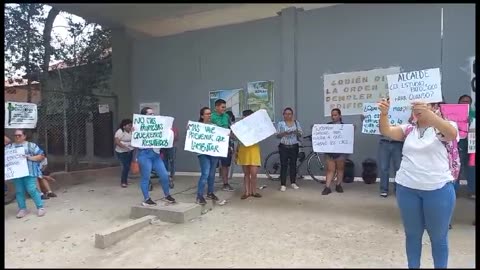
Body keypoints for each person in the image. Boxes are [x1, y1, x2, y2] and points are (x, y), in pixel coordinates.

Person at [379, 99, 458, 269]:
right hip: (407, 189)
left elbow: (451, 133)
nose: (418, 108)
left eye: (424, 104)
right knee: (413, 235)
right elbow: (386, 130)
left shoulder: (445, 125)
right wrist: (384, 114)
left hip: (438, 190)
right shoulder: (408, 129)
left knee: (438, 238)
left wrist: (432, 117)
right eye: (415, 105)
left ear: (434, 107)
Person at [135, 107, 175, 206]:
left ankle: (167, 195)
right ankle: (146, 198)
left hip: (156, 155)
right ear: (144, 116)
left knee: (165, 175)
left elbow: (167, 135)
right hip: (145, 154)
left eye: (153, 114)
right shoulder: (139, 126)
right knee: (146, 177)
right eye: (150, 114)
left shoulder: (158, 125)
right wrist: (134, 131)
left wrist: (168, 131)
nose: (152, 115)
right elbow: (135, 139)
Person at [5, 129, 46, 218]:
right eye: (15, 135)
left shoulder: (31, 146)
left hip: (30, 171)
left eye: (19, 135)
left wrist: (29, 158)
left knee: (31, 189)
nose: (17, 137)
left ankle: (40, 207)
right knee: (19, 191)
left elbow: (41, 156)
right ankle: (22, 209)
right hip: (17, 173)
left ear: (24, 136)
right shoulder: (9, 148)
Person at [195, 107, 220, 205]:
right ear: (202, 116)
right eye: (207, 114)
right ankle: (199, 195)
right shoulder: (197, 126)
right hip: (203, 154)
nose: (209, 115)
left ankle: (210, 192)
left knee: (212, 174)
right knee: (205, 173)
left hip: (213, 153)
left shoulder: (214, 126)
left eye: (210, 113)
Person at [236, 110, 262, 199]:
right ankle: (247, 192)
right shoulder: (239, 127)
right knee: (246, 173)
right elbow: (237, 138)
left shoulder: (256, 127)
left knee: (253, 173)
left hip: (254, 150)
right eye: (245, 116)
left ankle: (254, 191)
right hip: (243, 150)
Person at [276, 107, 303, 192]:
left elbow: (301, 133)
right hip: (284, 146)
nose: (288, 115)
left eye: (289, 114)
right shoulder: (280, 123)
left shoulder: (296, 122)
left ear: (292, 115)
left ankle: (293, 182)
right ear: (283, 115)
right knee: (284, 165)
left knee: (293, 165)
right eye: (286, 114)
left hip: (294, 146)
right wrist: (284, 133)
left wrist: (296, 132)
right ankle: (283, 184)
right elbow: (277, 135)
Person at [211, 99, 235, 192]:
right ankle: (210, 185)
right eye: (222, 107)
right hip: (214, 145)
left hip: (226, 144)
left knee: (225, 165)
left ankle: (225, 184)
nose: (224, 109)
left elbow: (230, 128)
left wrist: (232, 138)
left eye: (225, 107)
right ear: (216, 107)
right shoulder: (211, 116)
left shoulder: (226, 116)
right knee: (213, 165)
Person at [322, 108, 347, 195]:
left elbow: (347, 138)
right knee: (330, 169)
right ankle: (327, 187)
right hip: (330, 152)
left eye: (335, 115)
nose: (333, 117)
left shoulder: (345, 127)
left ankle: (338, 185)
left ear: (340, 116)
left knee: (340, 168)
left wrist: (352, 130)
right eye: (332, 115)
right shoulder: (327, 126)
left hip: (341, 152)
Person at [457, 94, 475, 197]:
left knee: (471, 168)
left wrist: (471, 121)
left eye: (467, 101)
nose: (465, 103)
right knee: (457, 167)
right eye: (463, 101)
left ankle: (472, 190)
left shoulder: (473, 114)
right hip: (459, 144)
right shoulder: (453, 113)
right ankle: (454, 190)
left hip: (472, 146)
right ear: (458, 102)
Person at [114, 119, 134, 188]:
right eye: (129, 125)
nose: (130, 127)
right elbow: (117, 142)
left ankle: (125, 179)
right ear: (124, 126)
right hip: (121, 152)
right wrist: (125, 148)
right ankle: (123, 182)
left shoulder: (132, 131)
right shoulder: (119, 132)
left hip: (130, 151)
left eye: (131, 125)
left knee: (128, 166)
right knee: (125, 166)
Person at [161, 123, 179, 188]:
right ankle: (165, 175)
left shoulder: (174, 129)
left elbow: (176, 138)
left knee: (172, 161)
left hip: (172, 147)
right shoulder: (162, 129)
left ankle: (172, 175)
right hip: (164, 147)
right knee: (164, 161)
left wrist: (172, 133)